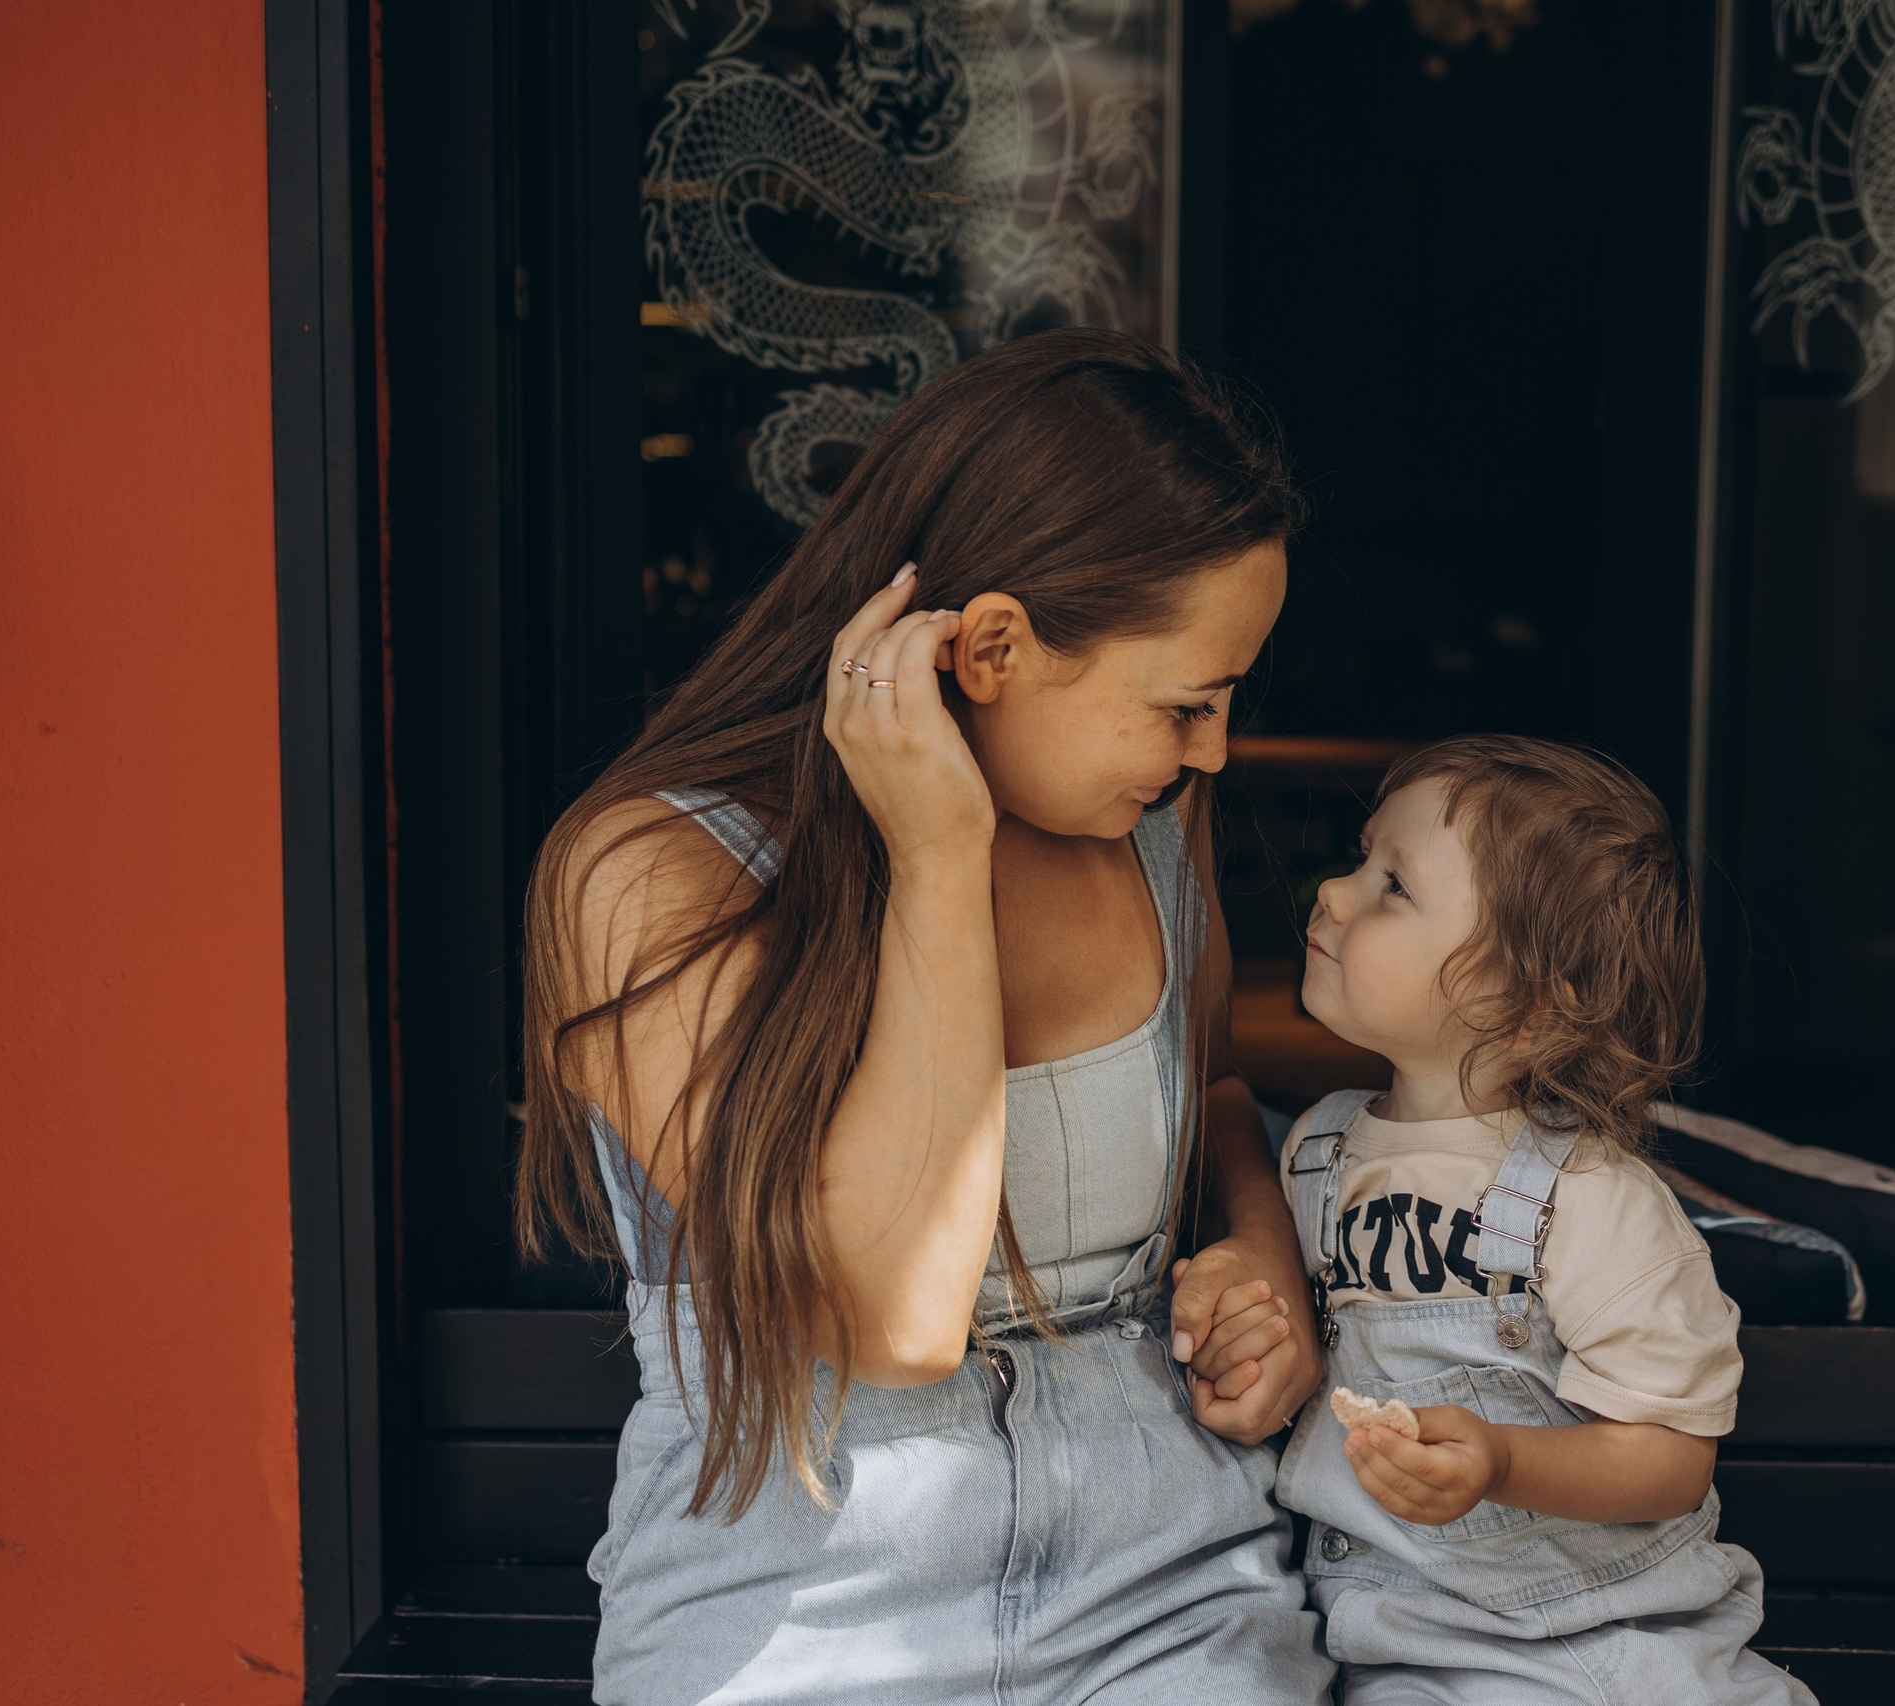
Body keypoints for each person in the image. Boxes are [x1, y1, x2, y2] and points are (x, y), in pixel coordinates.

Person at [516, 330, 1335, 1704]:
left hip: (1166, 1590)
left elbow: (1222, 1092)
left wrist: (1265, 1267)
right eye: (1187, 702)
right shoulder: (646, 871)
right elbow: (890, 1314)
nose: (1214, 753)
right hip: (795, 1613)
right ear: (996, 647)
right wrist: (936, 859)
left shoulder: (1147, 832)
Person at [1274, 735, 1817, 1704]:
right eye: (1362, 856)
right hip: (1384, 1633)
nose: (1334, 890)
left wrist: (1501, 1460)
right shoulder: (1316, 1154)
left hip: (1577, 1643)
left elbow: (1670, 1456)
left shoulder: (1589, 1201)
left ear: (1522, 1007)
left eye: (1392, 885)